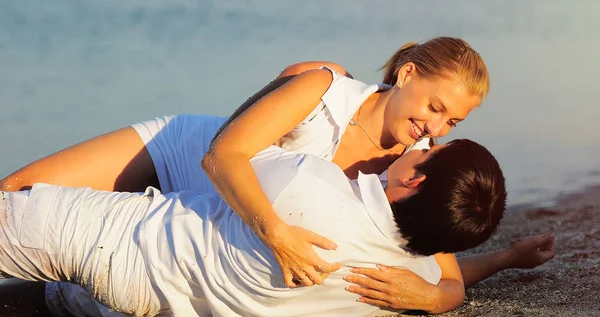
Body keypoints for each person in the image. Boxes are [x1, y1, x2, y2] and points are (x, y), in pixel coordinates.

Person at [0, 37, 554, 314]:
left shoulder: (410, 169)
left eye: (452, 121)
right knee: (16, 194)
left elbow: (445, 272)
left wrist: (434, 299)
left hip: (211, 228)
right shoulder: (324, 88)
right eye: (434, 106)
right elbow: (222, 157)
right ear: (407, 74)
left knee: (71, 283)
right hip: (188, 156)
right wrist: (275, 232)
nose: (434, 127)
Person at [0, 138, 507, 316]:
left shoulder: (310, 183)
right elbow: (451, 276)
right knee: (50, 298)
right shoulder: (400, 278)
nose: (418, 144)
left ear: (415, 178)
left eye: (427, 151)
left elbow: (222, 151)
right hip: (154, 299)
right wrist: (504, 260)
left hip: (124, 239)